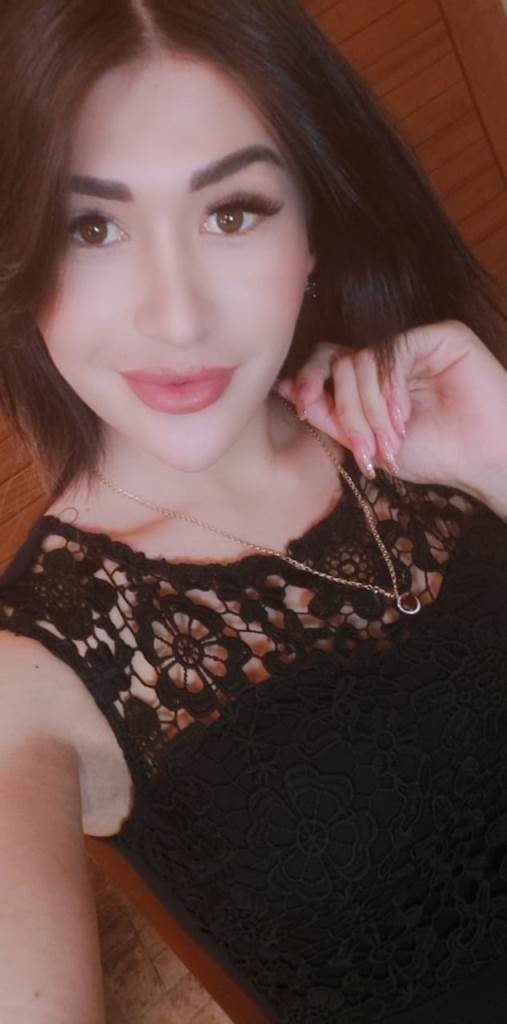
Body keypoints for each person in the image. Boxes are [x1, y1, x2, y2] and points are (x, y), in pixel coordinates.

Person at [0, 1, 506, 1022]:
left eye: (232, 211)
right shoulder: (34, 679)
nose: (178, 315)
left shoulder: (445, 411)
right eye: (90, 226)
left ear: (314, 229)